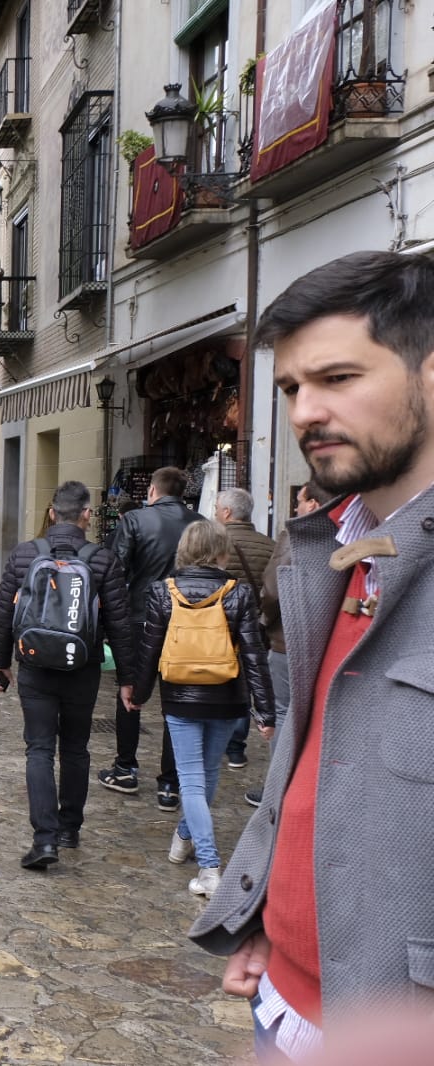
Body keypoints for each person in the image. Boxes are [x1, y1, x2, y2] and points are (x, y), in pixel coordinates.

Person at [190, 251, 434, 1056]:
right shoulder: (330, 551)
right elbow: (314, 765)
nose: (304, 411)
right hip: (286, 1005)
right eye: (292, 388)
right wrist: (269, 914)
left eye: (337, 378)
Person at [0, 481, 136, 871]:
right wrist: (127, 679)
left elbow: (4, 613)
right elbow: (120, 625)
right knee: (75, 748)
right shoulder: (102, 560)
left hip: (34, 668)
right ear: (86, 515)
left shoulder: (25, 555)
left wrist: (0, 662)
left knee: (38, 749)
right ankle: (70, 828)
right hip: (82, 670)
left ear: (52, 513)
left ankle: (44, 839)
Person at [133, 521, 274, 900]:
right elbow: (254, 656)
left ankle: (208, 866)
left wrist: (138, 692)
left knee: (194, 781)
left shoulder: (164, 592)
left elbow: (148, 648)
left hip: (180, 696)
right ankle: (186, 840)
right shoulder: (239, 593)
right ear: (221, 551)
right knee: (205, 777)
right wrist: (265, 710)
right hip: (228, 697)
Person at [97, 466, 205, 812]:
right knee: (177, 698)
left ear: (154, 491)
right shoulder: (200, 524)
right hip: (188, 620)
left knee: (131, 691)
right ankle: (170, 784)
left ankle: (126, 767)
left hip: (141, 617)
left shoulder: (136, 521)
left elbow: (117, 569)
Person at [244, 480, 323, 808]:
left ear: (314, 505)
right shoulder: (348, 530)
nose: (295, 509)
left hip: (288, 639)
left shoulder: (297, 534)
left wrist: (264, 620)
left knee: (281, 712)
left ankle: (278, 790)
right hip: (323, 640)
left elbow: (274, 587)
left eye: (299, 501)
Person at [214, 487, 277, 770]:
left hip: (218, 625)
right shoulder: (270, 545)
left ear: (226, 512)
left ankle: (215, 739)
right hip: (256, 626)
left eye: (217, 508)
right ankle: (236, 748)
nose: (215, 513)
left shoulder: (215, 542)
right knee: (245, 684)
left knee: (217, 680)